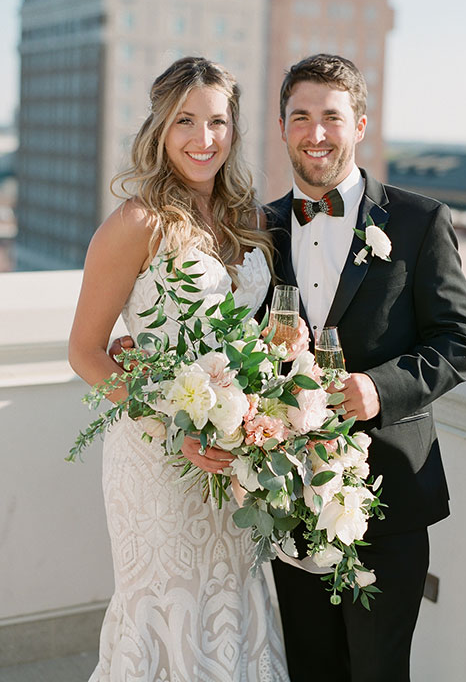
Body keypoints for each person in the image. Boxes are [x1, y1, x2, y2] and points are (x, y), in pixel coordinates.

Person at [69, 56, 291, 681]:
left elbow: (250, 337)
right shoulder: (136, 223)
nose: (204, 138)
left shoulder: (247, 221)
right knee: (165, 612)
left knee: (234, 605)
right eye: (186, 121)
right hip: (156, 462)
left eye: (218, 122)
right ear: (160, 129)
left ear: (234, 129)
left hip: (232, 455)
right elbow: (86, 350)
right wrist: (175, 430)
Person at [267, 53, 466, 682]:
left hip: (388, 494)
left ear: (359, 125)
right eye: (300, 116)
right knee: (309, 667)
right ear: (282, 126)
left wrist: (377, 389)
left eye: (331, 117)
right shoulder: (258, 229)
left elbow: (461, 340)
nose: (315, 133)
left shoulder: (419, 222)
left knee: (379, 670)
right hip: (286, 494)